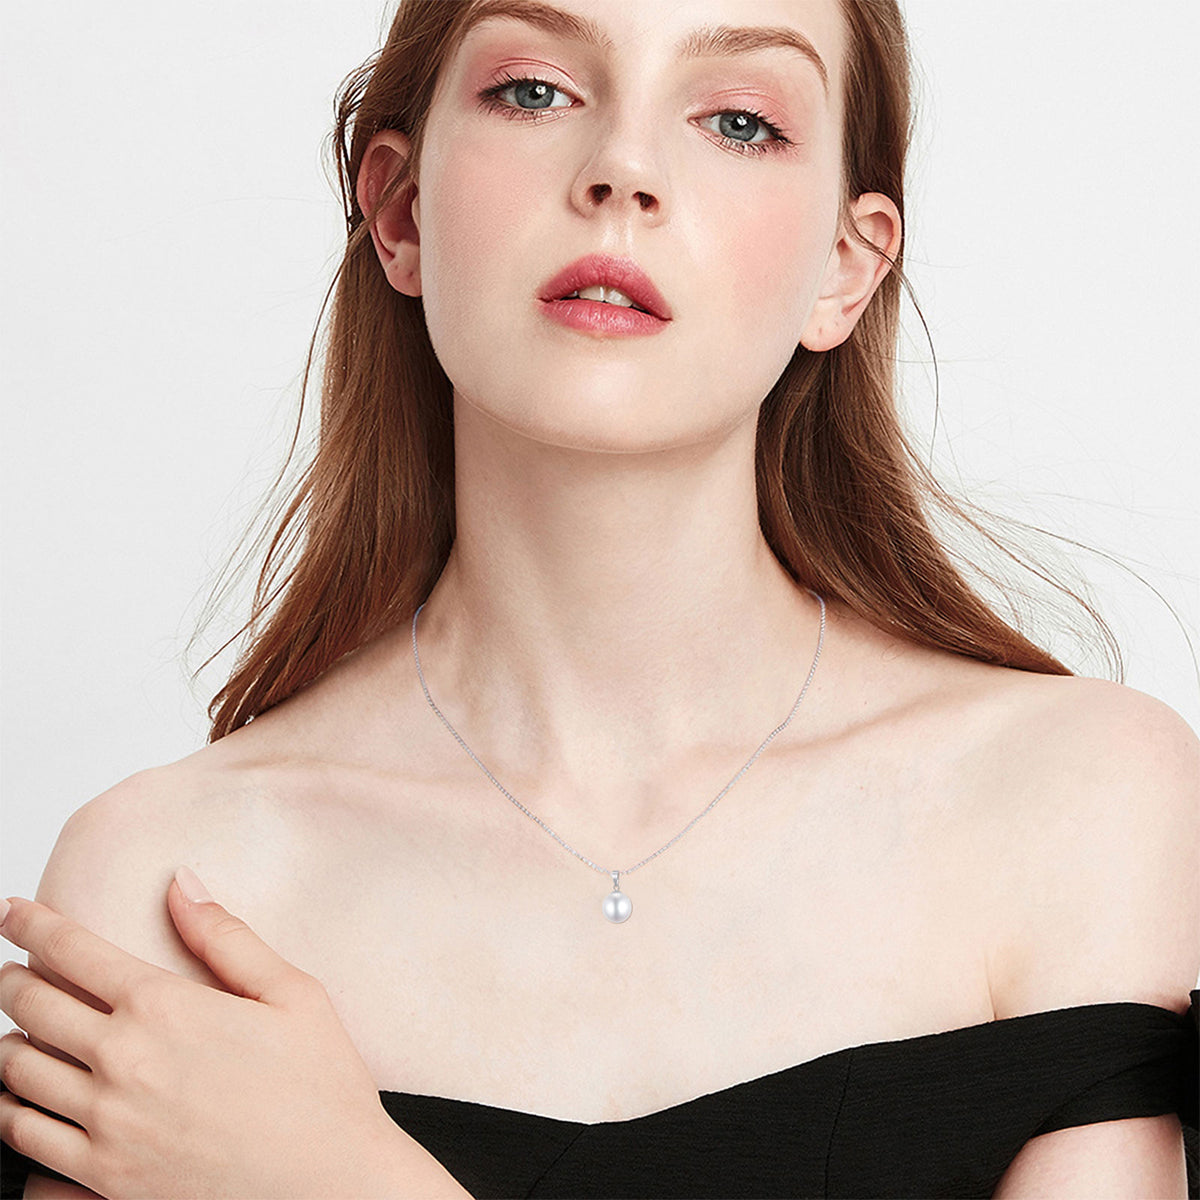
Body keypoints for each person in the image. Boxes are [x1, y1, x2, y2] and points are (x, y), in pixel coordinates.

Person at [1, 0, 1197, 1196]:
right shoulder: (170, 880)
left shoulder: (1077, 801)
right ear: (400, 213)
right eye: (534, 91)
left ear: (846, 267)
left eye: (739, 121)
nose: (623, 169)